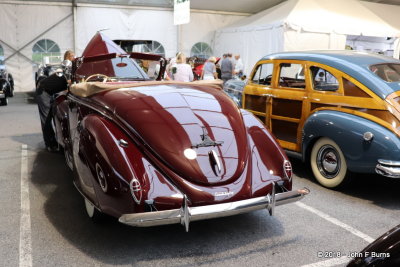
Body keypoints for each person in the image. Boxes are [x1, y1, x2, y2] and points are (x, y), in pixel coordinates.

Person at [36, 51, 73, 152]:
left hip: (50, 91)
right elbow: (69, 86)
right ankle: (50, 144)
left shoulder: (65, 73)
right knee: (46, 118)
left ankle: (56, 141)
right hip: (43, 91)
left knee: (54, 115)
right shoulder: (66, 74)